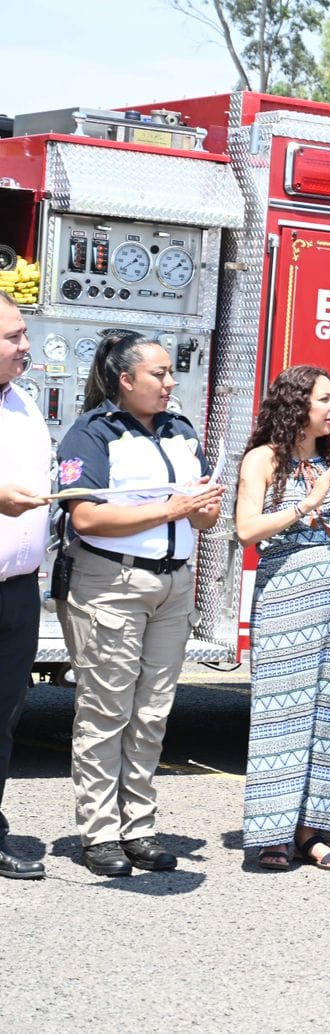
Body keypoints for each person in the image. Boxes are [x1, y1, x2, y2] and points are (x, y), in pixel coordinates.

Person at [54, 331, 225, 876]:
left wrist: (201, 508)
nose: (171, 383)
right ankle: (100, 833)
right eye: (158, 374)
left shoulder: (180, 430)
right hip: (111, 585)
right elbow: (85, 517)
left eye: (171, 372)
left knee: (152, 713)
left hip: (172, 586)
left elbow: (201, 518)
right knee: (106, 713)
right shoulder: (92, 434)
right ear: (125, 381)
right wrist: (172, 509)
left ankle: (139, 827)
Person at [234, 366, 330, 871]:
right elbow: (246, 530)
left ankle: (312, 833)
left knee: (327, 717)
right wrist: (306, 504)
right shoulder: (263, 459)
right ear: (298, 404)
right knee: (281, 715)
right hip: (285, 602)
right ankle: (271, 833)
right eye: (325, 400)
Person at [0, 296, 48, 881]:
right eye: (13, 337)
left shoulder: (26, 406)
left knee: (4, 714)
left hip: (16, 591)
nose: (25, 346)